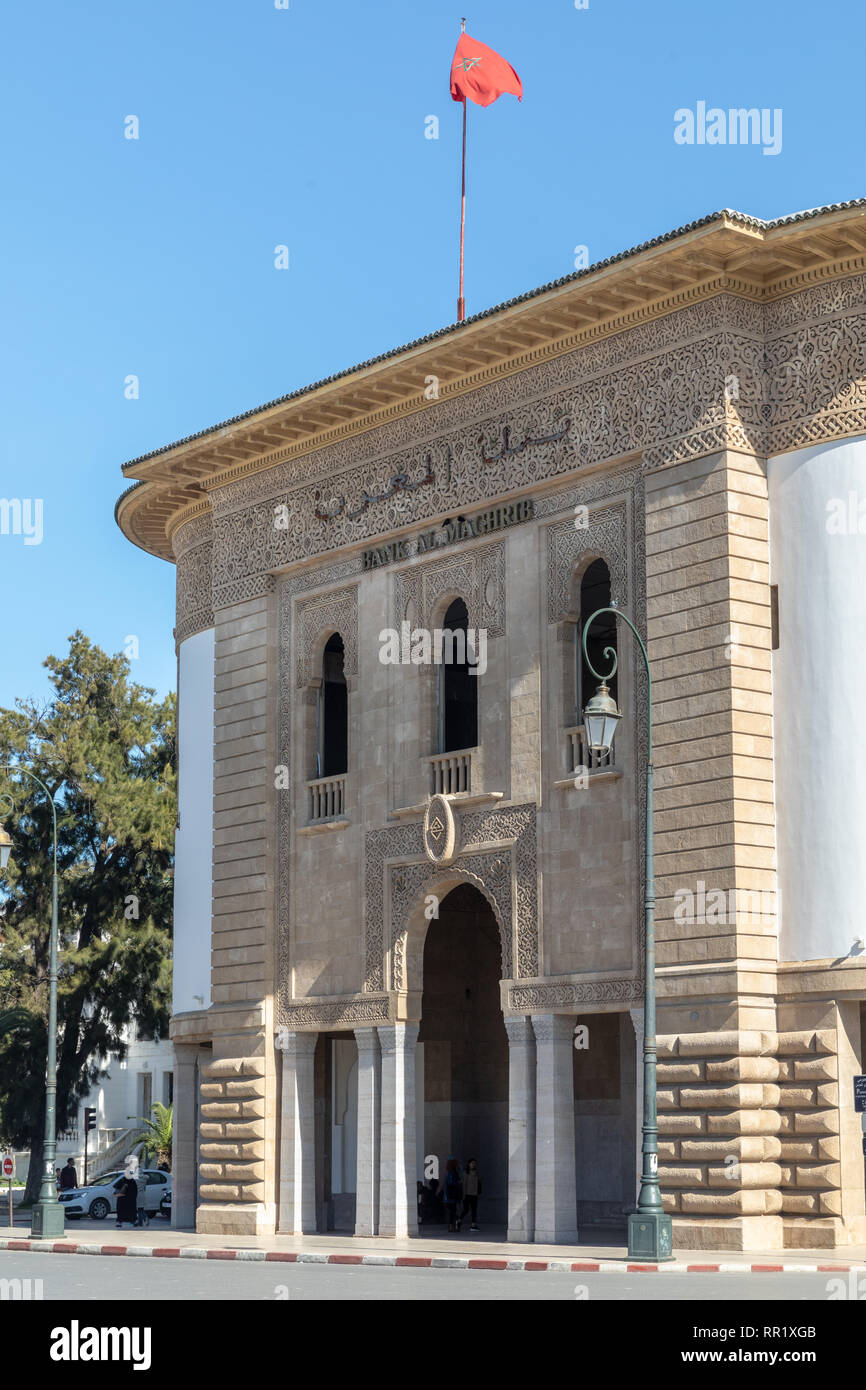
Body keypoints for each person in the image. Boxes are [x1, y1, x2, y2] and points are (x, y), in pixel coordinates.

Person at [438, 1157, 463, 1233]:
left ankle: (451, 1226)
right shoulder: (453, 1173)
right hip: (452, 1195)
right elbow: (453, 1183)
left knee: (451, 1212)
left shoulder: (449, 1172)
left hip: (448, 1195)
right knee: (453, 1212)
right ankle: (453, 1226)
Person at [462, 1158, 482, 1231]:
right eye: (472, 1163)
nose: (473, 1165)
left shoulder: (476, 1172)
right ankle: (458, 1219)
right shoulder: (466, 1173)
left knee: (474, 1210)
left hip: (474, 1194)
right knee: (466, 1210)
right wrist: (463, 1195)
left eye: (474, 1163)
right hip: (467, 1194)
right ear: (469, 1164)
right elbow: (464, 1184)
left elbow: (479, 1182)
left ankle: (473, 1225)